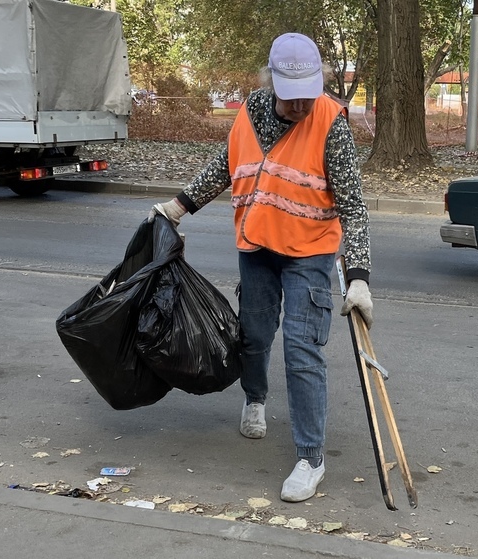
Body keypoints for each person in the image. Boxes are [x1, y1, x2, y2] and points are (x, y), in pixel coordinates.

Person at [147, 32, 373, 502]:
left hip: (310, 251)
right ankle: (255, 399)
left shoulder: (331, 121)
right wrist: (178, 207)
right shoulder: (250, 111)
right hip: (257, 246)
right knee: (253, 333)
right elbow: (225, 167)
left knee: (301, 349)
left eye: (309, 96)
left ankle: (311, 458)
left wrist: (359, 277)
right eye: (292, 99)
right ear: (271, 84)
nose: (301, 107)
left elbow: (354, 205)